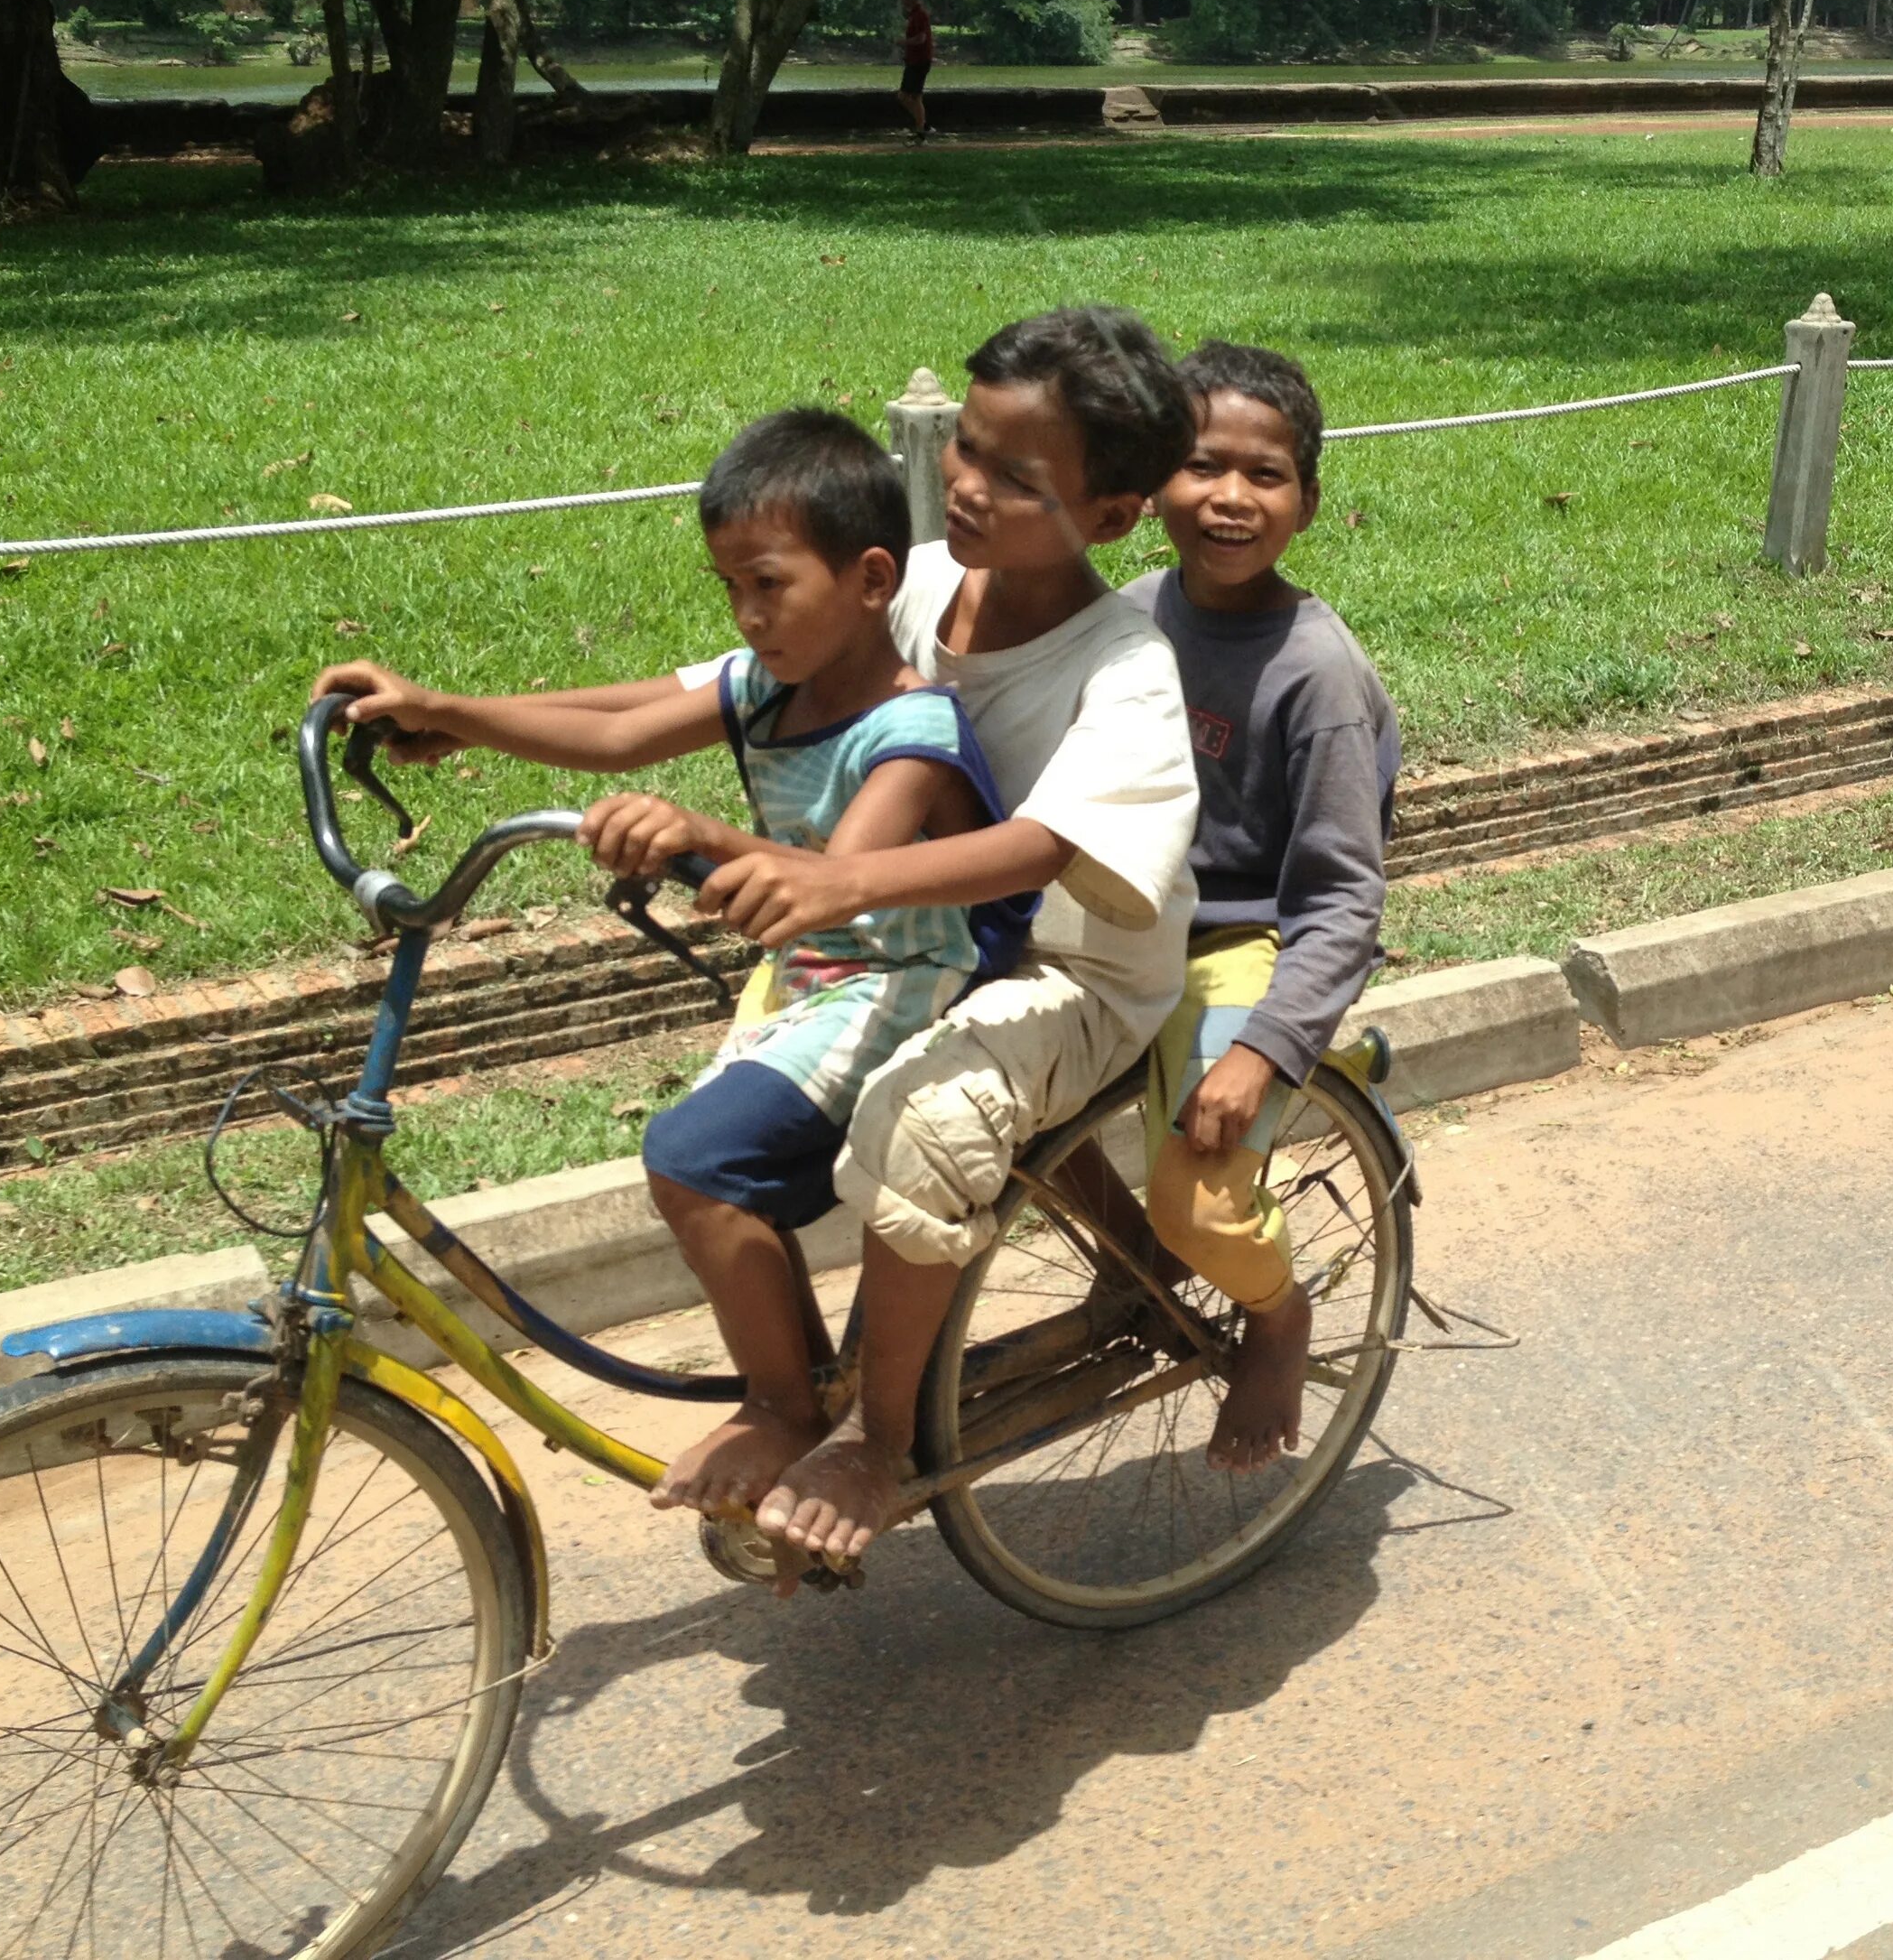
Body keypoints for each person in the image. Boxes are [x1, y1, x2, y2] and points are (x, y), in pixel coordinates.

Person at [393, 310, 1202, 1575]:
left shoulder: (1125, 667)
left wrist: (836, 877)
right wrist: (455, 713)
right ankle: (803, 1380)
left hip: (1074, 966)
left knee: (923, 1125)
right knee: (728, 1120)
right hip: (896, 934)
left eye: (1016, 476)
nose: (969, 485)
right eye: (968, 449)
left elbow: (1044, 845)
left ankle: (874, 1438)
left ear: (1113, 514)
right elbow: (667, 701)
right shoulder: (917, 578)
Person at [311, 410, 1031, 1559]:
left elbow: (839, 876)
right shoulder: (765, 686)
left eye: (768, 583)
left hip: (904, 973)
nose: (746, 614)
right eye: (729, 588)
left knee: (695, 1158)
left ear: (869, 579)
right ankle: (804, 1380)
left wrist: (696, 831)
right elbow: (621, 731)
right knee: (718, 1166)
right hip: (818, 979)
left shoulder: (911, 728)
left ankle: (789, 1408)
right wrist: (447, 713)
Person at [1118, 341, 1398, 1474]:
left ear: (1308, 505)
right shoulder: (1129, 616)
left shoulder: (1316, 675)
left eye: (1264, 476)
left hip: (1248, 942)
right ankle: (1126, 1265)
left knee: (1203, 1204)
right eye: (1199, 466)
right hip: (1120, 922)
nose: (1229, 497)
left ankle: (1278, 1318)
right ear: (1149, 487)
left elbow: (1343, 896)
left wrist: (1269, 1050)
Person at [897, 0, 933, 142]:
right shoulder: (913, 15)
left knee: (914, 97)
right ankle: (923, 125)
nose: (903, 1)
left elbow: (921, 39)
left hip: (920, 60)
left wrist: (903, 42)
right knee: (904, 96)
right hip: (913, 60)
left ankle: (921, 132)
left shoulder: (920, 15)